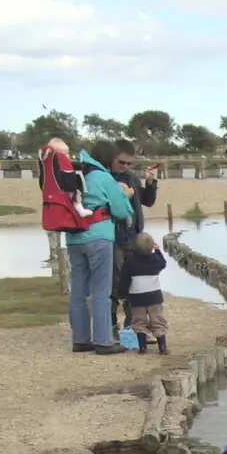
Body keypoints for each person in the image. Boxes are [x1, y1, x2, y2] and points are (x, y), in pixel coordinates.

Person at [64, 140, 133, 354]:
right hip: (99, 237)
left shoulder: (77, 174)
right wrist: (126, 196)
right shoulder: (104, 177)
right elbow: (121, 212)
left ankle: (81, 339)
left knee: (78, 289)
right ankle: (103, 341)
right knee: (101, 289)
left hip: (74, 238)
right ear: (109, 158)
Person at [108, 140, 159, 337]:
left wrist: (150, 182)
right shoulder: (104, 178)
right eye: (122, 162)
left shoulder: (131, 176)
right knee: (114, 284)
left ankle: (134, 328)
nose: (126, 167)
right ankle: (111, 328)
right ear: (112, 158)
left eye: (130, 163)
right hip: (114, 237)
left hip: (134, 237)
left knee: (135, 284)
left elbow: (147, 201)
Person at [120, 232, 168, 355]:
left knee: (139, 322)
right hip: (154, 297)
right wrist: (158, 251)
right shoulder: (156, 260)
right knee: (157, 320)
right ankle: (162, 347)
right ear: (152, 247)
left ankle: (142, 347)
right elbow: (163, 263)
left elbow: (124, 280)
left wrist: (122, 295)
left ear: (134, 248)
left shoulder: (130, 262)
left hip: (137, 298)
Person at [40, 139, 94, 218]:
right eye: (63, 154)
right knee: (76, 194)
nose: (67, 156)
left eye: (67, 153)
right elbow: (69, 182)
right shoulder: (64, 165)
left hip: (53, 197)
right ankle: (80, 210)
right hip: (67, 192)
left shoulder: (47, 168)